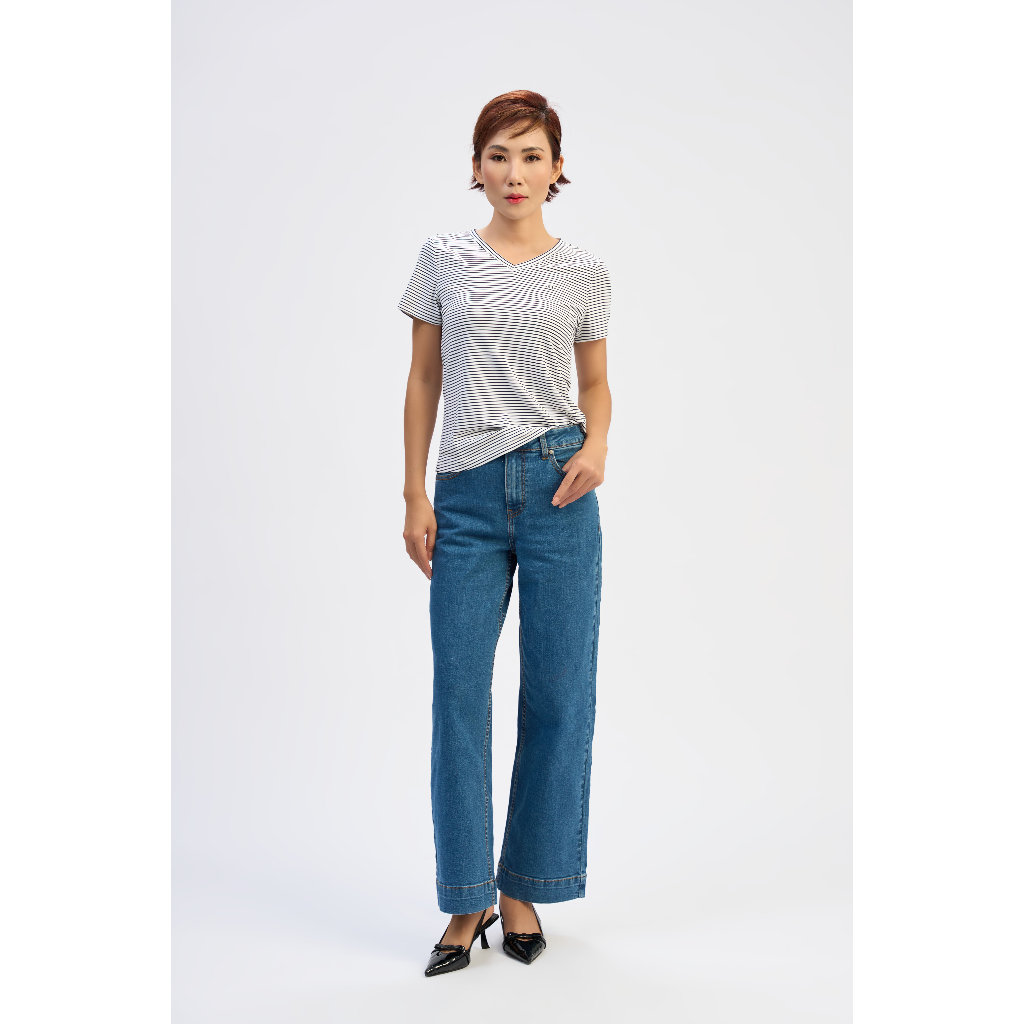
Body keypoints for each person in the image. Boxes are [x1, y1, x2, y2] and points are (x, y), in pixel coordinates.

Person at [399, 89, 612, 977]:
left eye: (531, 155)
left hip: (561, 487)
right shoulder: (443, 258)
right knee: (459, 693)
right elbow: (423, 380)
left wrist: (597, 446)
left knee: (559, 693)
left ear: (557, 168)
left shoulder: (584, 271)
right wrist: (414, 494)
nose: (514, 172)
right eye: (498, 154)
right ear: (476, 167)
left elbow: (594, 383)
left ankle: (524, 885)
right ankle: (466, 898)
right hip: (468, 497)